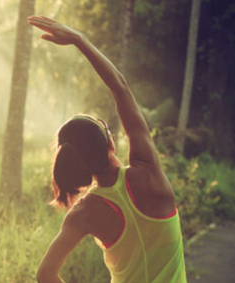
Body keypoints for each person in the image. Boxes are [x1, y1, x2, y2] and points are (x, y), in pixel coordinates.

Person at [27, 15, 187, 283]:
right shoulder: (147, 171)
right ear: (110, 141)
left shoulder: (83, 213)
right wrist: (80, 40)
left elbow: (45, 275)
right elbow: (120, 88)